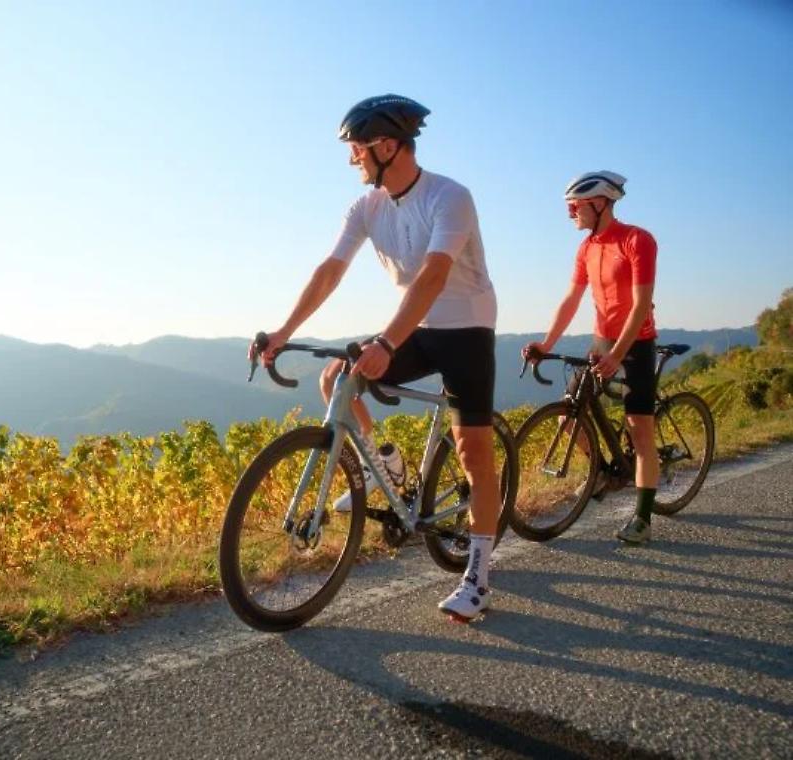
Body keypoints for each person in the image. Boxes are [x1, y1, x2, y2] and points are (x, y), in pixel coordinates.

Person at [251, 94, 500, 620]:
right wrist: (282, 331)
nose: (352, 160)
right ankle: (386, 461)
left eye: (357, 149)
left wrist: (386, 342)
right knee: (337, 376)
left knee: (472, 451)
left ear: (387, 146)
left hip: (466, 327)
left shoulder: (449, 197)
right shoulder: (367, 206)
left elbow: (434, 275)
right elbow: (330, 270)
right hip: (416, 323)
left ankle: (478, 574)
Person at [522, 171, 659, 544]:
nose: (571, 214)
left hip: (636, 344)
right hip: (602, 342)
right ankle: (600, 468)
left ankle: (643, 519)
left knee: (639, 429)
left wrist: (618, 354)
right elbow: (571, 300)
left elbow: (641, 304)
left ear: (600, 204)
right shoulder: (586, 248)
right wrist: (546, 344)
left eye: (575, 206)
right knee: (570, 414)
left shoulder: (637, 240)